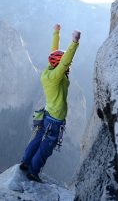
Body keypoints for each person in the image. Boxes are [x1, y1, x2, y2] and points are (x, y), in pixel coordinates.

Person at [19, 24, 81, 182]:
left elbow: (54, 52)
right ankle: (33, 171)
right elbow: (65, 62)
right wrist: (74, 42)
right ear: (58, 65)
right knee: (46, 147)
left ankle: (25, 163)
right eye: (63, 65)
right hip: (55, 119)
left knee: (37, 139)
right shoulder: (57, 76)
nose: (67, 67)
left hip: (47, 114)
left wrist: (56, 32)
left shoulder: (49, 70)